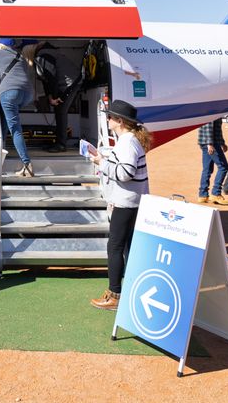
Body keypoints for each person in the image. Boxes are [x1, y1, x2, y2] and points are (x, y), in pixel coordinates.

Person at [89, 100, 151, 311]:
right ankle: (130, 291)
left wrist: (102, 163)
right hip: (132, 201)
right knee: (127, 247)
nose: (108, 120)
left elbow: (125, 173)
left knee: (115, 247)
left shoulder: (127, 142)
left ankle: (114, 294)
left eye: (111, 117)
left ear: (120, 121)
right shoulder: (130, 141)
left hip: (126, 202)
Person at [0, 38, 35, 177]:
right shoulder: (21, 56)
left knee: (15, 128)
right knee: (6, 120)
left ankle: (27, 164)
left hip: (9, 92)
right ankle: (1, 150)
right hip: (27, 94)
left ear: (2, 45)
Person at [34, 43, 83, 152]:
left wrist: (55, 97)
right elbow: (46, 80)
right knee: (59, 112)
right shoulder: (47, 54)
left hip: (70, 83)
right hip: (71, 81)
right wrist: (50, 96)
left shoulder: (43, 56)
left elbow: (52, 78)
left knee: (60, 112)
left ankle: (61, 144)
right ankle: (59, 142)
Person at [197, 118, 228, 205]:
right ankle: (216, 193)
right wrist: (209, 144)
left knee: (207, 169)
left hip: (208, 143)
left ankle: (203, 195)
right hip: (211, 143)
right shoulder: (211, 107)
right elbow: (208, 126)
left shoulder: (210, 107)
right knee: (223, 167)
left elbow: (217, 129)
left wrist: (222, 143)